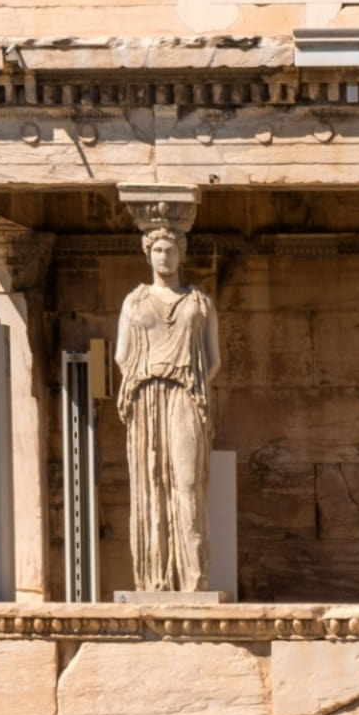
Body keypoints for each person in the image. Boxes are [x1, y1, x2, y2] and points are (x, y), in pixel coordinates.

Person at [116, 224, 220, 592]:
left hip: (186, 394)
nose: (164, 256)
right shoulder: (135, 301)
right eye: (158, 249)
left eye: (170, 249)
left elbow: (213, 359)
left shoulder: (199, 302)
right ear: (148, 253)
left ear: (182, 254)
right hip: (147, 398)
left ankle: (194, 579)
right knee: (150, 484)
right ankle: (154, 580)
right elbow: (121, 355)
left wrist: (184, 378)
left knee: (188, 482)